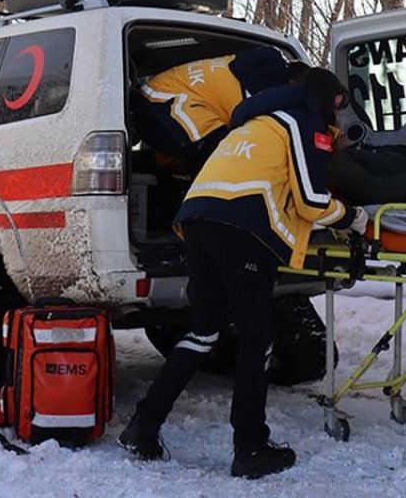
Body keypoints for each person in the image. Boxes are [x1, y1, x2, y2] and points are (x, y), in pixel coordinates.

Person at [118, 66, 365, 480]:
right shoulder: (305, 121)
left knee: (203, 331)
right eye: (338, 107)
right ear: (326, 99)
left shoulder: (257, 121)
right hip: (243, 229)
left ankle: (143, 426)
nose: (338, 119)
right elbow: (310, 200)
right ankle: (250, 448)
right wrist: (354, 217)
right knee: (256, 340)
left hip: (197, 218)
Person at [130, 45, 301, 167]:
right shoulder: (270, 90)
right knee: (230, 155)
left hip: (155, 101)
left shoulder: (241, 65)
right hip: (162, 107)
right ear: (293, 83)